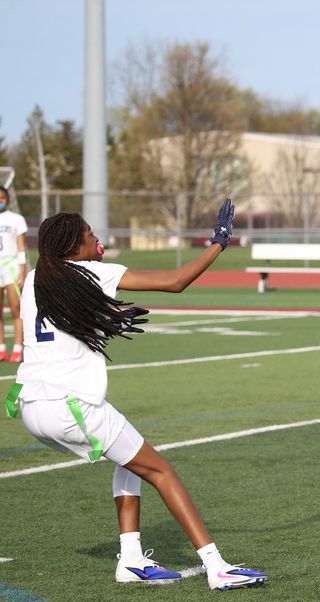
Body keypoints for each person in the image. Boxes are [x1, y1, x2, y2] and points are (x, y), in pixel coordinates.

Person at [10, 198, 267, 590]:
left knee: (128, 459)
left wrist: (107, 315)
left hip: (30, 406)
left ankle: (131, 559)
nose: (96, 237)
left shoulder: (33, 279)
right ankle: (217, 567)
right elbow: (176, 282)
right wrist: (219, 242)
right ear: (71, 246)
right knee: (161, 471)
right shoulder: (92, 273)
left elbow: (65, 316)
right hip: (72, 407)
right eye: (88, 233)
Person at [0, 185, 28, 363]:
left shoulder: (16, 219)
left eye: (2, 197)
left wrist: (22, 270)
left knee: (16, 308)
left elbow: (20, 246)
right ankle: (1, 348)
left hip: (11, 266)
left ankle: (18, 348)